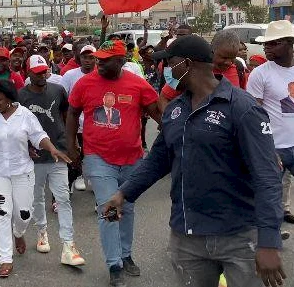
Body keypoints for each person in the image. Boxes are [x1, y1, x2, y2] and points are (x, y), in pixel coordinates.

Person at [104, 35, 286, 287]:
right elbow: (158, 160)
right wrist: (124, 193)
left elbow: (267, 176)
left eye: (169, 62)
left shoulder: (241, 108)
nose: (165, 68)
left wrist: (268, 240)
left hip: (239, 235)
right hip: (187, 238)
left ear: (186, 64)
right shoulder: (176, 110)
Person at [65, 40, 161, 286]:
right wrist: (71, 145)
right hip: (98, 157)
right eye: (98, 58)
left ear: (121, 61)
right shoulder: (84, 83)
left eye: (106, 60)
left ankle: (126, 254)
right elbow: (72, 113)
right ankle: (114, 265)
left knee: (127, 208)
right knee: (108, 208)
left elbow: (157, 112)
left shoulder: (137, 83)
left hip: (132, 158)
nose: (99, 62)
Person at [0, 80, 71, 278]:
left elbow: (39, 136)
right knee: (0, 213)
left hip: (22, 171)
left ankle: (19, 233)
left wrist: (52, 148)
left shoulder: (25, 115)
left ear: (10, 98)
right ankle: (5, 258)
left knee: (24, 214)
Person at [19, 55, 85, 265]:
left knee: (63, 198)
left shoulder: (58, 90)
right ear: (28, 72)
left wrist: (71, 143)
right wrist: (26, 148)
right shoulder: (21, 96)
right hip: (35, 157)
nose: (42, 75)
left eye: (44, 71)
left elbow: (68, 117)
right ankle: (42, 232)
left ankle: (68, 244)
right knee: (37, 197)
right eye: (37, 72)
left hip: (58, 152)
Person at [246, 20, 294, 240]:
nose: (267, 48)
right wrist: (265, 149)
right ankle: (270, 240)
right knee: (269, 197)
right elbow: (254, 116)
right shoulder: (260, 74)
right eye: (267, 44)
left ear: (290, 44)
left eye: (275, 43)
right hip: (274, 148)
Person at [61, 43, 97, 193]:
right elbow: (62, 100)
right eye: (84, 57)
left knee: (92, 159)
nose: (87, 60)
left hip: (94, 126)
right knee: (72, 157)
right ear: (79, 58)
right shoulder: (70, 75)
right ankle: (68, 186)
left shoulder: (100, 76)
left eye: (90, 57)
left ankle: (93, 186)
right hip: (74, 124)